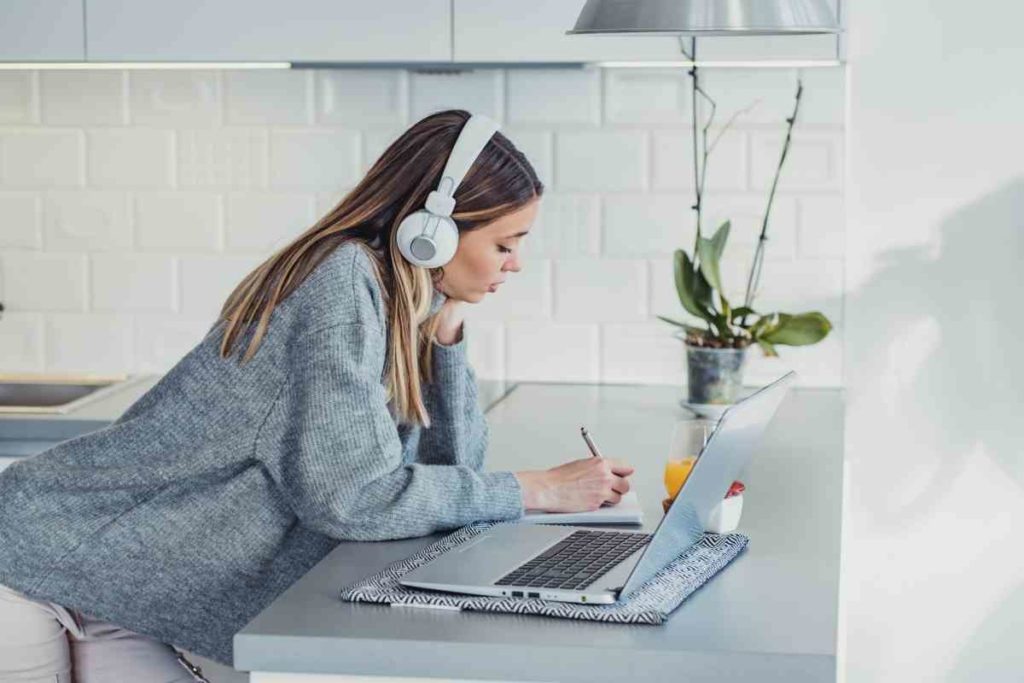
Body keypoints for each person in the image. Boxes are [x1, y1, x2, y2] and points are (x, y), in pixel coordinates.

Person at [0, 109, 634, 680]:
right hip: (34, 559)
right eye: (505, 243)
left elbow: (444, 477)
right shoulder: (339, 287)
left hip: (109, 579)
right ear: (431, 231)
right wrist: (537, 489)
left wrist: (445, 332)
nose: (515, 264)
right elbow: (355, 500)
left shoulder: (395, 301)